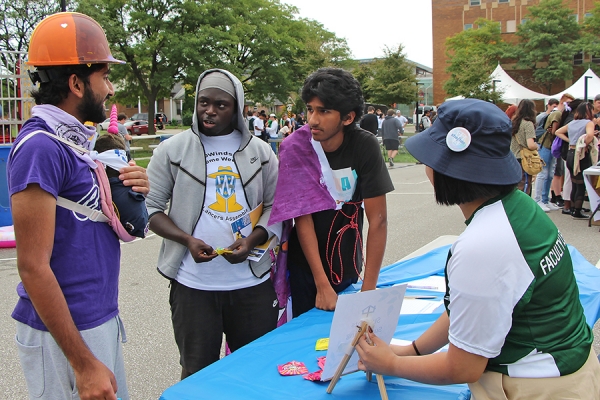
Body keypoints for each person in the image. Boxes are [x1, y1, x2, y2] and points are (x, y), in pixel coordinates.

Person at [356, 98, 600, 399]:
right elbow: (471, 307)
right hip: (569, 374)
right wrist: (411, 351)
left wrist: (392, 364)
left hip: (537, 386)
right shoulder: (517, 207)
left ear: (451, 170)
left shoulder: (483, 246)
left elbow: (463, 367)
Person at [8, 12, 149, 400]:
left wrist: (133, 189)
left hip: (95, 318)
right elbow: (33, 266)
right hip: (65, 334)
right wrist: (84, 364)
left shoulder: (77, 143)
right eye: (104, 76)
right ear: (75, 82)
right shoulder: (40, 147)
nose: (110, 87)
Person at [146, 69, 282, 379]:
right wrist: (186, 240)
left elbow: (276, 207)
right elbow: (151, 209)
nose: (210, 110)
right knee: (197, 375)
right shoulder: (173, 150)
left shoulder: (259, 152)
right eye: (204, 102)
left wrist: (251, 242)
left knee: (253, 375)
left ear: (237, 108)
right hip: (194, 289)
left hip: (251, 287)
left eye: (221, 104)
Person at [268, 68, 394, 317]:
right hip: (307, 268)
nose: (313, 119)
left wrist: (369, 289)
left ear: (347, 117)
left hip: (349, 260)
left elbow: (378, 220)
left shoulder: (364, 145)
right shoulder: (296, 147)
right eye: (310, 109)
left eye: (324, 111)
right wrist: (322, 285)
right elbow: (302, 218)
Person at [554, 102, 599, 219]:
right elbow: (589, 135)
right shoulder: (588, 123)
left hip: (570, 152)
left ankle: (573, 208)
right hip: (582, 154)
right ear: (588, 111)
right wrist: (585, 142)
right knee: (581, 184)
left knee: (574, 182)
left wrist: (571, 140)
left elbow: (557, 132)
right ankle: (578, 210)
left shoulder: (572, 123)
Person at [535, 93, 574, 212]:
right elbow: (554, 131)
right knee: (543, 173)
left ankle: (545, 199)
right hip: (547, 145)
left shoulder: (559, 113)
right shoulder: (557, 113)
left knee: (550, 173)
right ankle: (538, 200)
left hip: (551, 146)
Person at [510, 99, 538, 196]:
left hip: (512, 157)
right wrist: (536, 146)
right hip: (524, 158)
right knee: (525, 184)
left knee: (515, 185)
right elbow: (530, 144)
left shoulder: (513, 122)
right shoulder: (528, 124)